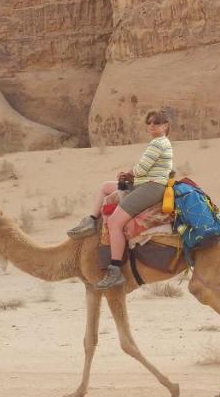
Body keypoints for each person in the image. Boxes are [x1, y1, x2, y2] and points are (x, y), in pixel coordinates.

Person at [67, 109, 174, 289]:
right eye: (149, 123)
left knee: (115, 222)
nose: (152, 126)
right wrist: (127, 177)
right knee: (105, 187)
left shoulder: (158, 143)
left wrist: (127, 175)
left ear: (165, 125)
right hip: (146, 183)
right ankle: (91, 220)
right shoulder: (161, 143)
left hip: (152, 187)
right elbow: (142, 170)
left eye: (156, 123)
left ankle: (115, 269)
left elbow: (141, 169)